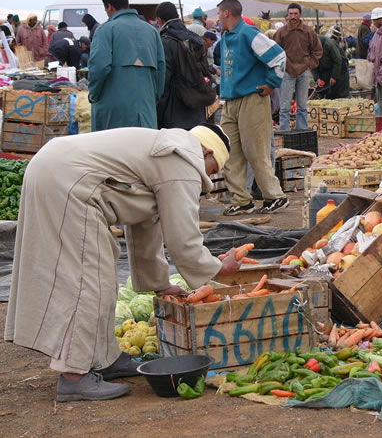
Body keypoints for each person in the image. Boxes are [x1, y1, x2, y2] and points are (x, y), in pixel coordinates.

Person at [4, 124, 244, 401]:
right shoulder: (184, 160)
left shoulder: (165, 155)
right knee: (86, 280)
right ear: (207, 151)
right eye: (213, 170)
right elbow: (183, 238)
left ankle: (105, 359)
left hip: (57, 170)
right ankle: (73, 375)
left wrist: (160, 284)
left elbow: (145, 225)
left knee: (101, 277)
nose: (208, 179)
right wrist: (217, 269)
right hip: (67, 181)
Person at [217, 0, 288, 215]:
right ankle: (242, 198)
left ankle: (275, 196)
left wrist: (271, 84)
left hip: (251, 98)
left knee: (255, 150)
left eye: (219, 13)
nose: (217, 17)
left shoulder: (248, 33)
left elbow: (278, 56)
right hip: (230, 100)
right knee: (229, 150)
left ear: (227, 13)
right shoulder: (227, 37)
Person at [88, 0, 165, 131]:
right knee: (144, 151)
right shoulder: (152, 31)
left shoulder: (105, 30)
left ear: (109, 7)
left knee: (112, 151)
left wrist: (93, 95)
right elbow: (161, 71)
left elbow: (99, 67)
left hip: (113, 113)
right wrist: (151, 99)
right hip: (145, 111)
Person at [155, 1, 211, 130]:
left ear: (159, 20)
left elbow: (164, 82)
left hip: (175, 111)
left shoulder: (166, 42)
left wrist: (158, 114)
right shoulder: (195, 39)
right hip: (197, 106)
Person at [273, 3, 322, 131]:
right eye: (290, 14)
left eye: (295, 14)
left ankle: (302, 130)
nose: (293, 16)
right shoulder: (281, 32)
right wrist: (283, 66)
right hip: (287, 72)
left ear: (300, 14)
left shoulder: (308, 31)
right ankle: (284, 130)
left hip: (304, 72)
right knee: (285, 106)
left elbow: (317, 50)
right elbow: (275, 52)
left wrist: (309, 65)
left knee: (302, 105)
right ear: (287, 15)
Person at [314, 32, 350, 99]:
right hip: (326, 71)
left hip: (340, 70)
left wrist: (334, 76)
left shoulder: (329, 44)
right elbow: (312, 64)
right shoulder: (310, 47)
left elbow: (338, 60)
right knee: (328, 95)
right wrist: (317, 78)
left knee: (341, 96)